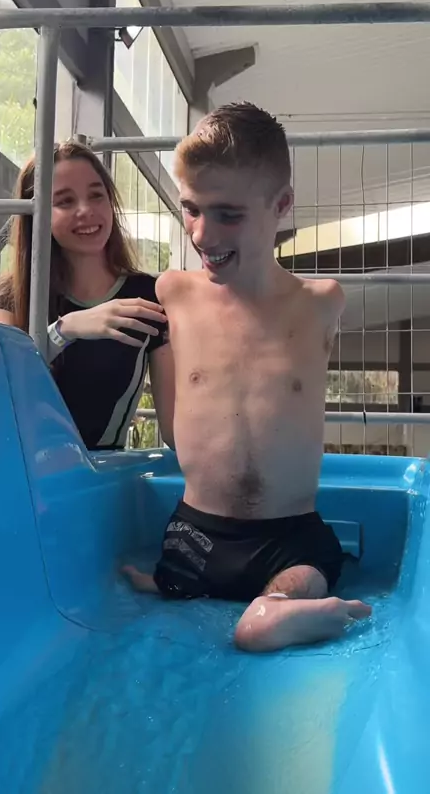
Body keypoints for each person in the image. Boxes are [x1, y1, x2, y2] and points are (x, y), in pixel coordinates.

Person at [122, 102, 372, 652]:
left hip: (290, 540)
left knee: (259, 626)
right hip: (196, 536)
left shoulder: (319, 303)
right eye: (191, 209)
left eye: (228, 215)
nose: (202, 233)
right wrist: (66, 328)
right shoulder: (174, 292)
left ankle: (281, 609)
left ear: (281, 205)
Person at [0, 141, 174, 451]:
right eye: (65, 201)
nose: (86, 210)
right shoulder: (12, 294)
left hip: (106, 474)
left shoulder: (149, 296)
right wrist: (65, 330)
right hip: (25, 473)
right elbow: (0, 394)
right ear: (37, 213)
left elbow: (174, 430)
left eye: (96, 195)